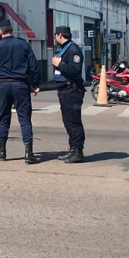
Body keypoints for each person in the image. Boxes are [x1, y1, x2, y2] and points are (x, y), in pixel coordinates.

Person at [0, 19, 40, 163]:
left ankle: (2, 152)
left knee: (3, 117)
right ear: (12, 30)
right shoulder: (23, 44)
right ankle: (29, 153)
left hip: (3, 85)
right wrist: (35, 84)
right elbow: (33, 66)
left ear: (0, 31)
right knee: (25, 118)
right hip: (21, 84)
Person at [52, 26, 86, 164]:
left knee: (73, 122)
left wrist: (59, 64)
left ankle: (78, 151)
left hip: (72, 90)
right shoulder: (64, 48)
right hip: (64, 90)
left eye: (56, 35)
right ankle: (72, 149)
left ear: (60, 35)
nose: (55, 38)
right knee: (68, 121)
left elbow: (74, 69)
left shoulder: (73, 49)